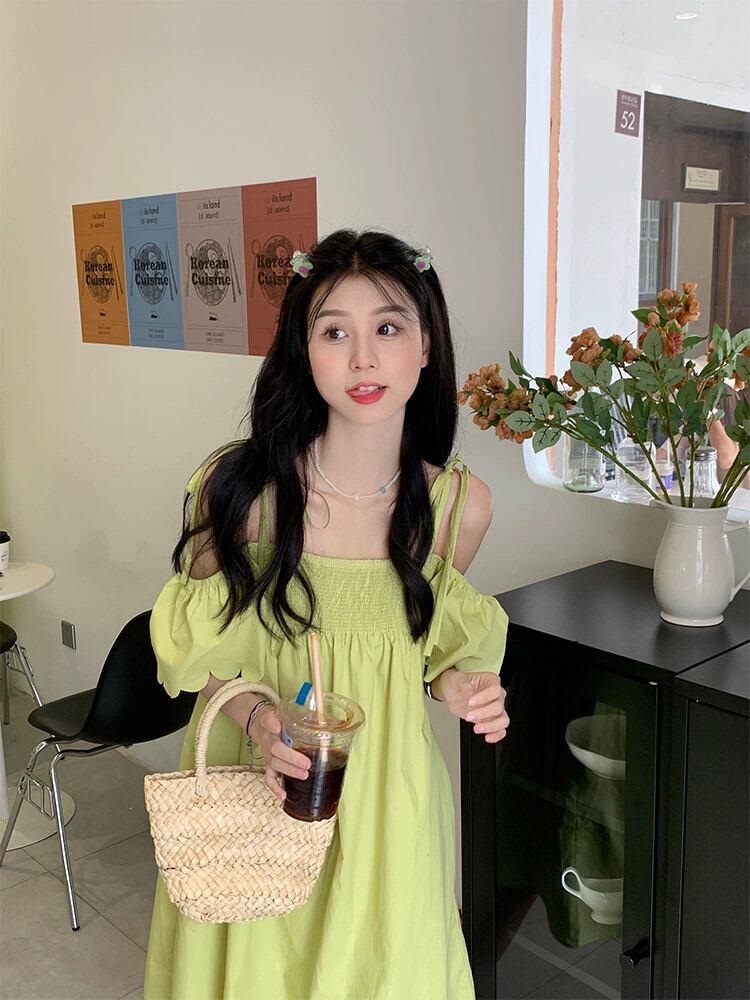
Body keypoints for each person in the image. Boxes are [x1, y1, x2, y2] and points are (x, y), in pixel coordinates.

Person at [143, 229, 510, 1000]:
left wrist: (458, 685)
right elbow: (198, 659)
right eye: (335, 332)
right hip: (264, 791)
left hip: (386, 806)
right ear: (304, 351)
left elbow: (423, 649)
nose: (364, 359)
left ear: (426, 345)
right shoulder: (239, 492)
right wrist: (258, 720)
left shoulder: (456, 507)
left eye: (388, 327)